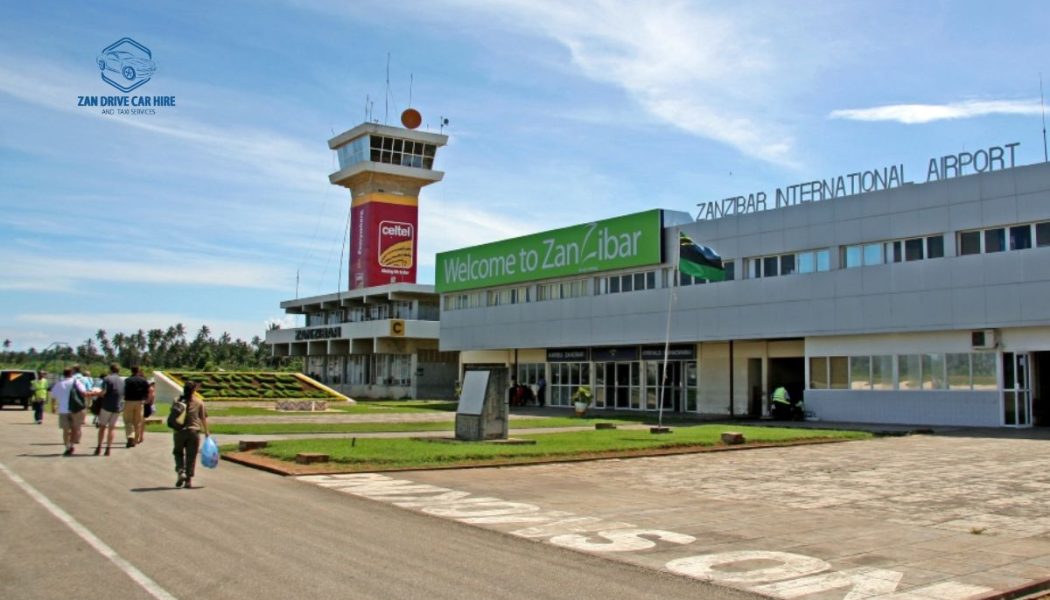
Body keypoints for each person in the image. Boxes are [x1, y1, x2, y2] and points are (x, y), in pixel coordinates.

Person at [50, 368, 98, 456]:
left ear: (63, 374)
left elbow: (53, 396)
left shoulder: (59, 384)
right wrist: (95, 393)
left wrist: (53, 407)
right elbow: (84, 393)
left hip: (63, 409)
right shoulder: (76, 382)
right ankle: (71, 444)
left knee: (65, 430)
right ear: (71, 374)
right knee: (75, 428)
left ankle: (67, 447)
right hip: (75, 408)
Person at [173, 381, 210, 489]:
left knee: (178, 452)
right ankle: (188, 480)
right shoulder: (199, 402)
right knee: (191, 456)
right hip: (193, 432)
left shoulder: (177, 401)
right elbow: (203, 418)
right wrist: (206, 431)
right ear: (194, 390)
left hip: (179, 431)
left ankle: (180, 471)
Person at [94, 364, 125, 456]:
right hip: (117, 407)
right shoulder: (122, 381)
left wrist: (98, 394)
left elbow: (103, 392)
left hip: (107, 406)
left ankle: (99, 447)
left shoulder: (107, 379)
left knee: (102, 427)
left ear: (110, 370)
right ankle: (108, 448)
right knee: (111, 428)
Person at [123, 366, 150, 447]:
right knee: (137, 422)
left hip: (129, 401)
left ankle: (130, 436)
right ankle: (135, 440)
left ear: (131, 371)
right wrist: (145, 399)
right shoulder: (143, 381)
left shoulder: (127, 380)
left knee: (128, 421)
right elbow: (147, 391)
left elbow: (124, 391)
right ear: (138, 371)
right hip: (139, 402)